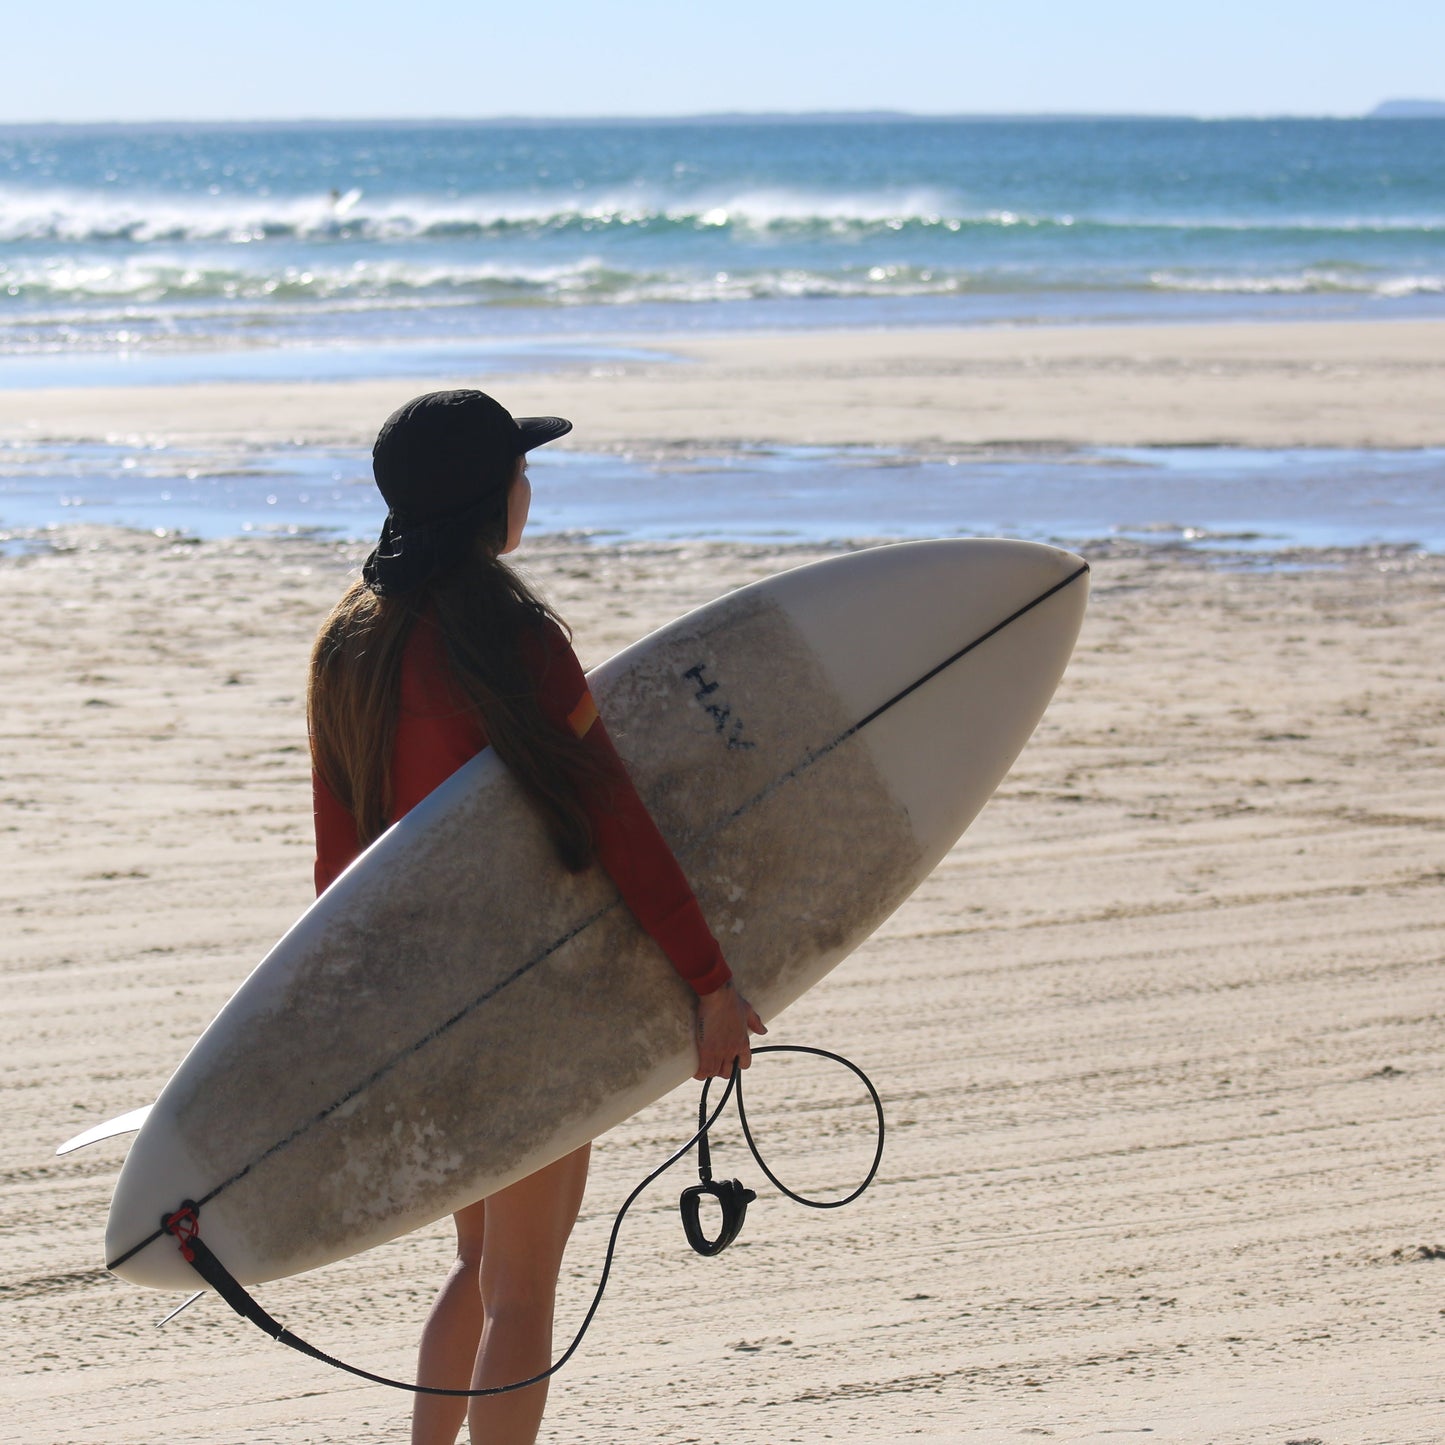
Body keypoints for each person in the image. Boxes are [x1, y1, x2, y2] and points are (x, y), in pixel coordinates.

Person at [306, 389, 764, 1445]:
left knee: (476, 1266)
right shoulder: (516, 642)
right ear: (486, 498)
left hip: (421, 1009)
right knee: (521, 1289)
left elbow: (338, 871)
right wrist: (708, 982)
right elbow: (621, 828)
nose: (529, 486)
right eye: (520, 468)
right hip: (532, 1006)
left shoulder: (348, 647)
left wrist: (351, 1029)